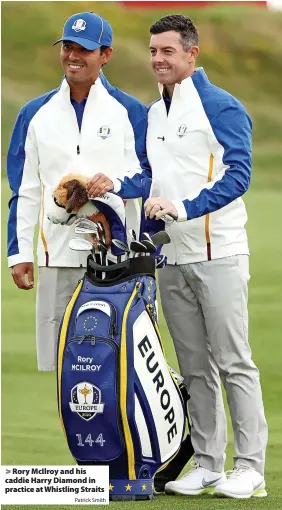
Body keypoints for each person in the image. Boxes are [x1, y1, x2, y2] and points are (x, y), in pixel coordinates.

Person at [87, 14, 268, 500]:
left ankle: (250, 466)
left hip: (220, 251)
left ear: (192, 54)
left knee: (233, 361)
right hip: (173, 257)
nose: (158, 60)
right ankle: (209, 464)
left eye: (168, 51)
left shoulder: (221, 106)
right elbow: (151, 179)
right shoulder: (155, 113)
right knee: (193, 366)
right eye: (152, 51)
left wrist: (184, 208)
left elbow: (239, 176)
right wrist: (114, 188)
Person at [7, 11, 150, 372]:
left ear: (105, 55)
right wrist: (20, 253)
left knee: (116, 365)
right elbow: (24, 190)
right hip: (56, 256)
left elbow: (149, 176)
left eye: (84, 49)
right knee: (62, 366)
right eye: (67, 46)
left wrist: (114, 185)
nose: (73, 56)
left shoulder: (130, 111)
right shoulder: (34, 114)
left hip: (116, 258)